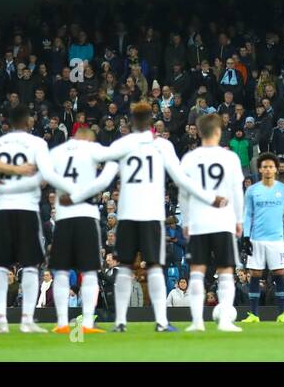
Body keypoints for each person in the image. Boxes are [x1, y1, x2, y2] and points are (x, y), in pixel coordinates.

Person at [93, 101, 223, 333]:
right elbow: (181, 179)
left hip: (126, 214)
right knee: (154, 267)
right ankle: (161, 322)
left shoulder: (121, 144)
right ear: (152, 122)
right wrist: (209, 197)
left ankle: (120, 322)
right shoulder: (162, 145)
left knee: (124, 267)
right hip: (152, 214)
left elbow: (104, 179)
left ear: (131, 121)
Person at [0, 104, 51, 333]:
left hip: (3, 209)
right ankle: (27, 321)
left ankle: (1, 322)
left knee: (0, 266)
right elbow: (46, 176)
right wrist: (35, 182)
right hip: (28, 209)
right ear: (29, 122)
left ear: (7, 123)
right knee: (30, 265)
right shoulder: (38, 143)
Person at [39, 125, 117, 334]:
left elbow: (45, 172)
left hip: (63, 217)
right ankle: (88, 323)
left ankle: (63, 323)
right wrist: (81, 192)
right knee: (90, 271)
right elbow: (110, 171)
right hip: (86, 214)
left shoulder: (58, 151)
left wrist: (69, 190)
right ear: (89, 138)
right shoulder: (92, 149)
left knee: (61, 271)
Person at [178, 112, 244, 332]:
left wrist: (185, 222)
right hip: (223, 221)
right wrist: (239, 218)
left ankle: (197, 322)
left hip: (198, 222)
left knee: (197, 271)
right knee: (226, 272)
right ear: (218, 132)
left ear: (198, 132)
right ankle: (225, 321)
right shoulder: (230, 158)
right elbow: (236, 192)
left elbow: (183, 194)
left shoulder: (189, 158)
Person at [240, 152, 284, 323]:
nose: (268, 169)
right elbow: (248, 214)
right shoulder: (252, 190)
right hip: (256, 238)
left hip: (276, 239)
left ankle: (282, 314)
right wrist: (246, 236)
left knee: (279, 274)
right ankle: (253, 314)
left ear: (276, 169)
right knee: (255, 274)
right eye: (265, 167)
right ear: (260, 169)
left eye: (271, 166)